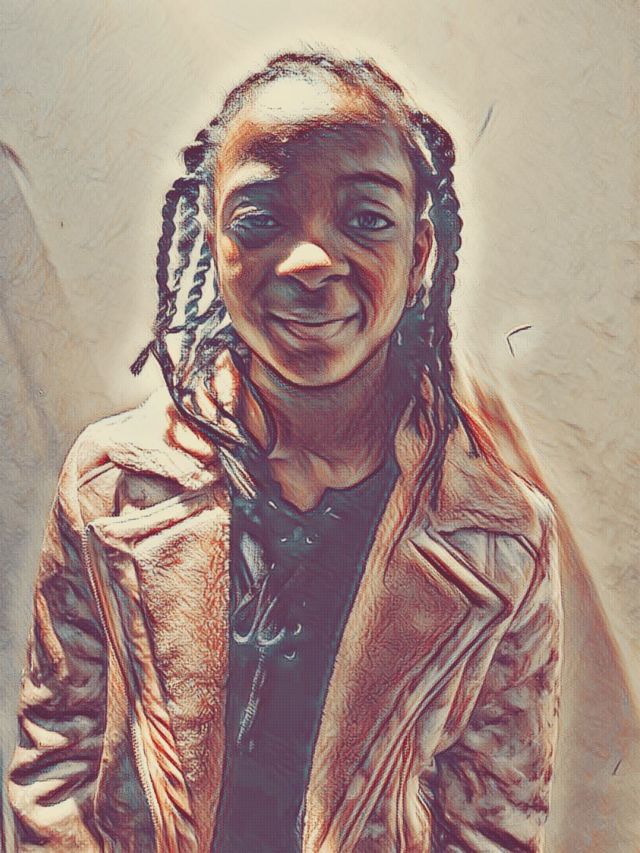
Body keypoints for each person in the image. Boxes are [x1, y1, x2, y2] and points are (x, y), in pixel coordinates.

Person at [7, 50, 562, 852]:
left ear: (422, 254)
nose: (310, 262)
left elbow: (493, 826)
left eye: (366, 219)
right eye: (261, 219)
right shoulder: (111, 486)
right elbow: (56, 766)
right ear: (213, 242)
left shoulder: (503, 541)